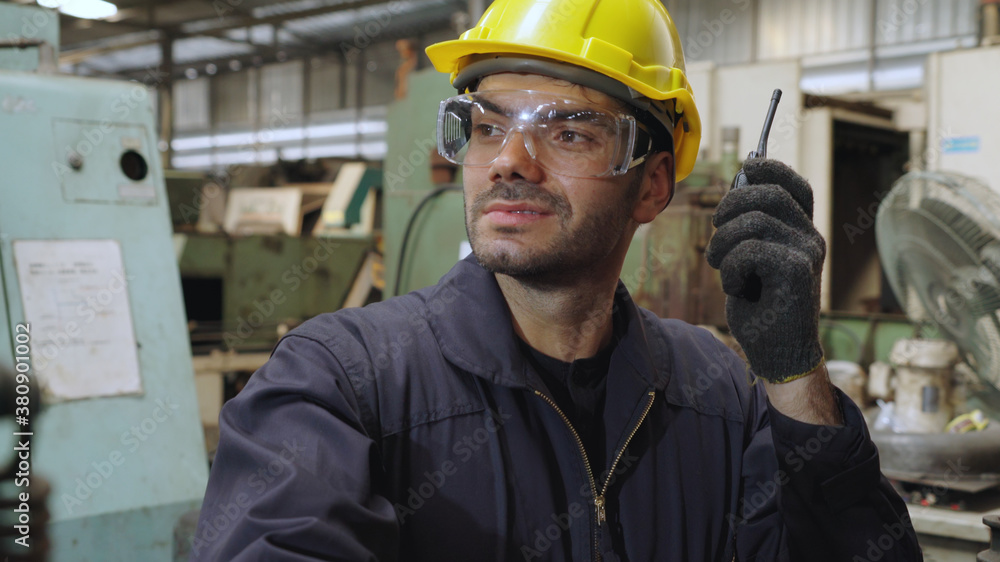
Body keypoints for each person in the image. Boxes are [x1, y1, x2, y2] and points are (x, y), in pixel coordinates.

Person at [191, 0, 922, 560]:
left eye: (568, 130)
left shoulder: (718, 395)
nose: (509, 160)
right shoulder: (339, 384)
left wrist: (794, 375)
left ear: (652, 186)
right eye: (486, 126)